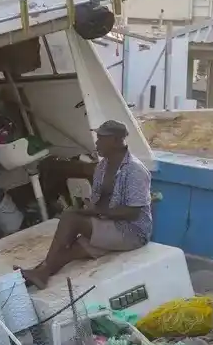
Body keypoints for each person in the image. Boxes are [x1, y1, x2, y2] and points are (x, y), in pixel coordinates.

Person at [21, 120, 152, 289]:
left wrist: (95, 212)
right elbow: (100, 201)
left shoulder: (135, 170)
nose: (96, 142)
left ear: (115, 140)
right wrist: (89, 209)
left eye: (100, 138)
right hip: (109, 224)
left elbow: (132, 213)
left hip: (131, 232)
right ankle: (39, 275)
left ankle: (40, 273)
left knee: (70, 219)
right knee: (71, 249)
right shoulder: (102, 167)